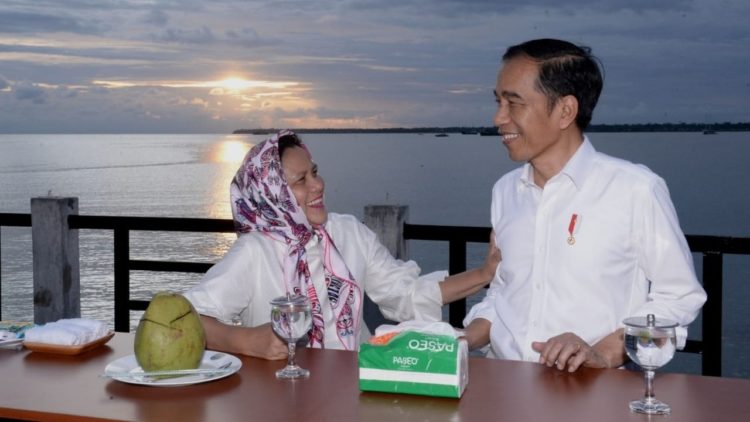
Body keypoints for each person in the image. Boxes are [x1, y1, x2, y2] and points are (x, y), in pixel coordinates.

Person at [462, 38, 706, 372]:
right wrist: (461, 339)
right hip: (505, 383)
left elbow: (680, 296)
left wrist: (604, 353)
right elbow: (505, 293)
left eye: (514, 103)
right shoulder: (506, 191)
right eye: (498, 101)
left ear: (565, 111)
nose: (497, 117)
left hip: (591, 390)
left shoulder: (635, 189)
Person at [184, 130, 500, 360]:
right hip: (279, 394)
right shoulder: (256, 251)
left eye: (315, 173)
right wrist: (246, 341)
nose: (318, 185)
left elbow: (406, 294)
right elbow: (188, 318)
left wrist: (484, 273)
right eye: (301, 180)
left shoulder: (348, 232)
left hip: (352, 385)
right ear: (271, 194)